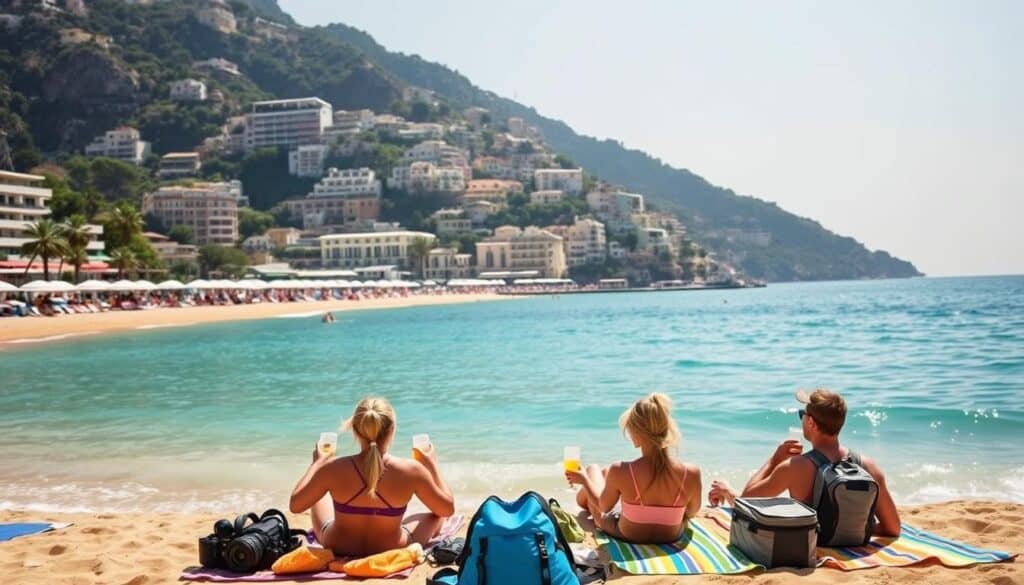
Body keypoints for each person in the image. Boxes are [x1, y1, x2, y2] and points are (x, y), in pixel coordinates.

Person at [708, 389, 901, 537]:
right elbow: (893, 528)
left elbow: (745, 502)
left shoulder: (796, 467)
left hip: (817, 541)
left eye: (802, 414)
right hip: (857, 541)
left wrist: (774, 461)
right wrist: (854, 531)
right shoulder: (868, 466)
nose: (801, 419)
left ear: (811, 423)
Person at [289, 397, 455, 556]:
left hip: (337, 545)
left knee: (316, 494)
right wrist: (432, 465)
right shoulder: (412, 471)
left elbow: (295, 505)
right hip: (393, 547)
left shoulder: (332, 468)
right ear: (392, 430)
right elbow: (447, 509)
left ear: (354, 429)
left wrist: (316, 464)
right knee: (436, 514)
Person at [566, 393, 702, 544]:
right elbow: (692, 511)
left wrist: (584, 480)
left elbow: (603, 508)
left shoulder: (621, 469)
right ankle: (605, 480)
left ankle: (592, 479)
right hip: (670, 536)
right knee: (606, 474)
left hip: (629, 534)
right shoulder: (691, 472)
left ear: (637, 433)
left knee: (592, 470)